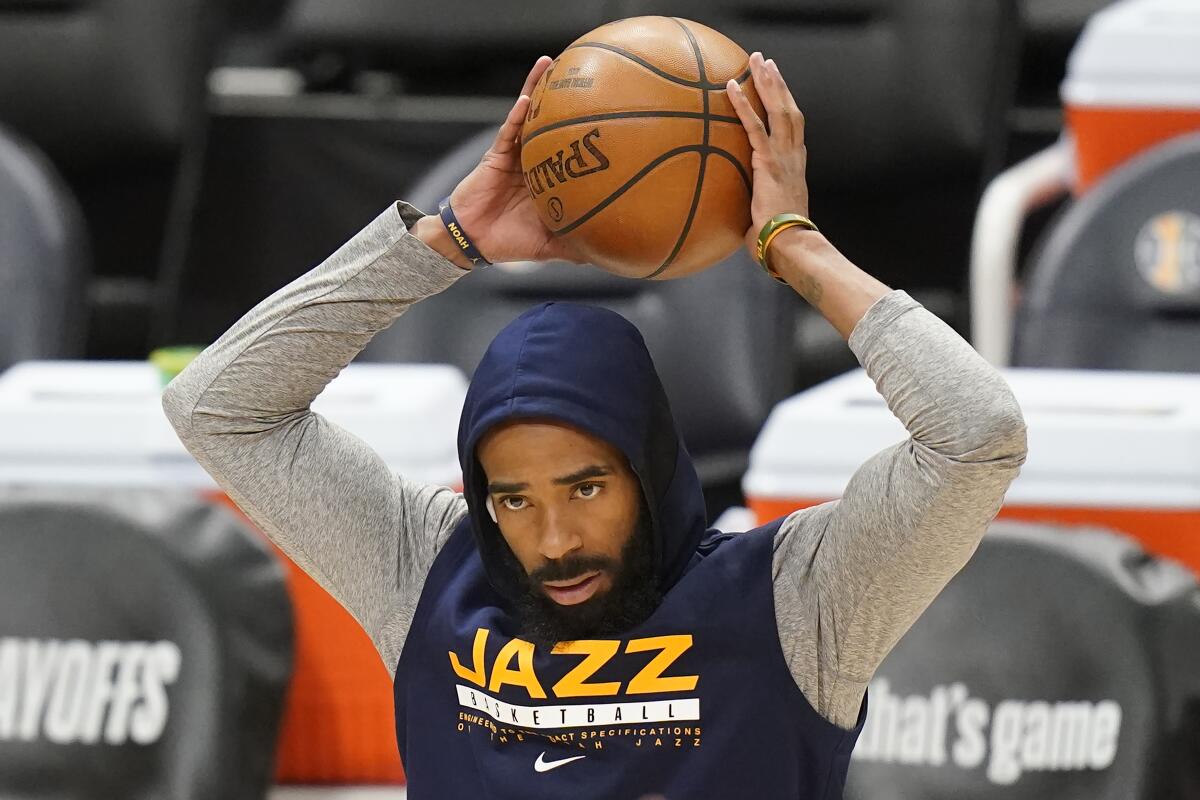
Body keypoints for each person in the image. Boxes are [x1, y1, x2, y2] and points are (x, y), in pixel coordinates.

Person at [164, 52, 1026, 799]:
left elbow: (974, 432)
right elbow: (220, 408)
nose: (555, 539)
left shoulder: (798, 599)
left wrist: (797, 248)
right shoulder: (426, 570)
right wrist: (440, 244)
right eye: (513, 500)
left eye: (585, 486)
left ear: (648, 469)